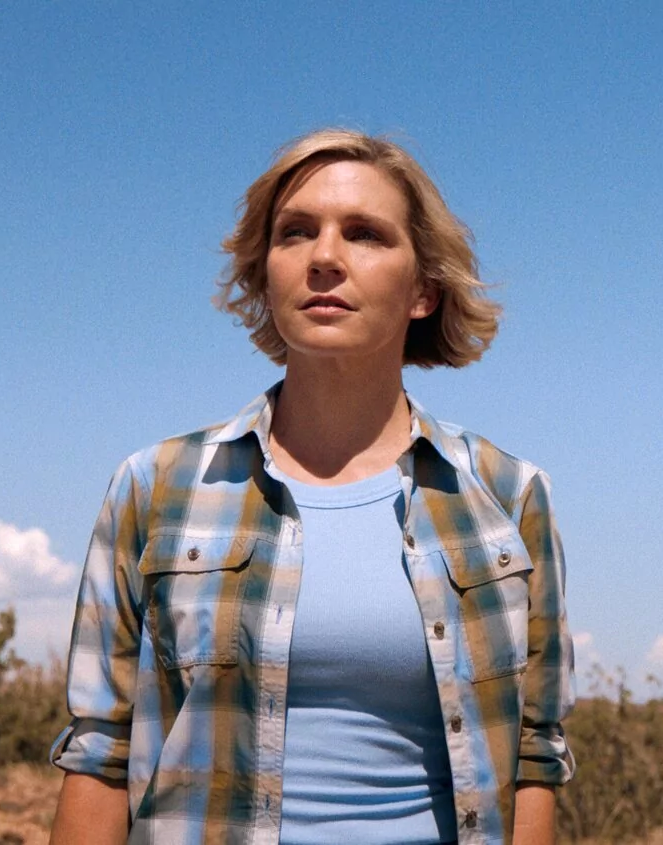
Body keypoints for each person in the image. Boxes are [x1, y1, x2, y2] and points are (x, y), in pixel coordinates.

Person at [49, 129, 574, 845]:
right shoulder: (156, 488)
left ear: (423, 290)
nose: (324, 257)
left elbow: (534, 755)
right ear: (265, 275)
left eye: (364, 234)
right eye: (295, 233)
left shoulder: (507, 497)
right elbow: (101, 750)